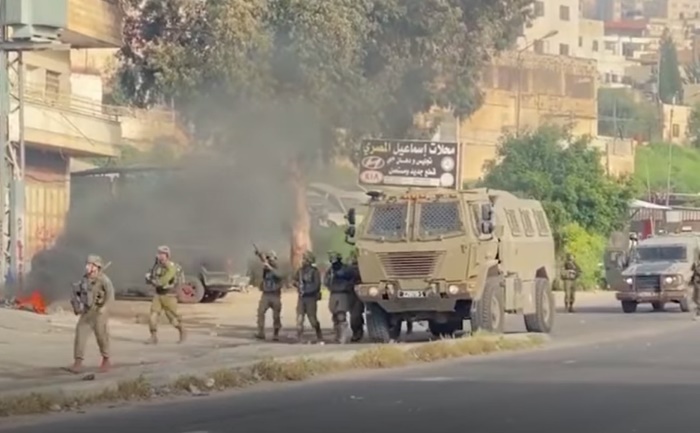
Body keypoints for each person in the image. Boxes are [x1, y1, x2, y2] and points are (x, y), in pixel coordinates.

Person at [67, 254, 115, 374]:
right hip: (87, 311)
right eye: (87, 264)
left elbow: (110, 296)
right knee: (80, 333)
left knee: (101, 335)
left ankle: (106, 359)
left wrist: (104, 308)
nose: (87, 267)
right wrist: (77, 306)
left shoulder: (104, 280)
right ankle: (78, 362)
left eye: (90, 264)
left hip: (99, 312)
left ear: (96, 266)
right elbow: (78, 293)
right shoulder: (85, 279)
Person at [145, 245, 185, 344]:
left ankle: (182, 331)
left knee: (173, 319)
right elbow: (152, 278)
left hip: (169, 296)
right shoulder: (157, 267)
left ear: (167, 255)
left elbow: (163, 281)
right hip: (158, 295)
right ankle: (153, 337)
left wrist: (154, 281)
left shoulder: (171, 267)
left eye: (162, 254)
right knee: (153, 316)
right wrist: (149, 278)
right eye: (159, 254)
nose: (160, 256)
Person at [293, 251, 323, 343]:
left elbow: (316, 285)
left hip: (310, 298)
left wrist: (306, 290)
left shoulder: (314, 271)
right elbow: (294, 280)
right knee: (299, 318)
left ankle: (319, 334)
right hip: (302, 298)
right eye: (304, 259)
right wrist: (297, 285)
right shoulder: (300, 271)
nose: (303, 261)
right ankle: (299, 336)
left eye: (305, 259)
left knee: (312, 319)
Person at [255, 250, 284, 341]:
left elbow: (279, 275)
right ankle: (261, 333)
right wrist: (260, 256)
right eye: (268, 258)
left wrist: (269, 267)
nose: (269, 260)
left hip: (275, 295)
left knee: (276, 316)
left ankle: (276, 334)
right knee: (260, 313)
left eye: (270, 258)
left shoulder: (278, 268)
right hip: (266, 294)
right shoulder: (266, 269)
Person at [324, 251, 352, 344]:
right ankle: (337, 336)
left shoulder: (345, 269)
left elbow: (350, 277)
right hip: (333, 293)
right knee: (335, 316)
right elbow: (326, 281)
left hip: (343, 294)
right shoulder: (331, 270)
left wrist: (340, 275)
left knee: (341, 316)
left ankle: (343, 337)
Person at [346, 250, 365, 342]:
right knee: (353, 315)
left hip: (358, 293)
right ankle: (356, 332)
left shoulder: (362, 268)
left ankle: (358, 333)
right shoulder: (349, 268)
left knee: (356, 315)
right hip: (350, 293)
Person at [692, 254, 700, 321]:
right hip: (696, 284)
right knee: (695, 299)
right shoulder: (697, 264)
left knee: (698, 299)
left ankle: (698, 313)